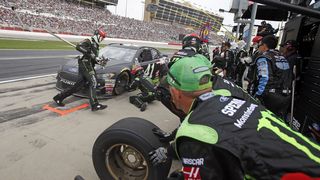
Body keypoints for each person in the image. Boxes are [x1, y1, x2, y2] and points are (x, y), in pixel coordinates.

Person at [149, 55, 320, 179]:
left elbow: (203, 138)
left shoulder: (194, 131)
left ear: (176, 93)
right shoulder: (229, 97)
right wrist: (171, 151)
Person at [53, 29, 108, 111]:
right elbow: (79, 46)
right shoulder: (89, 41)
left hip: (89, 65)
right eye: (102, 37)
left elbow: (93, 58)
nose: (102, 39)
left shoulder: (96, 46)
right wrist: (89, 52)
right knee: (93, 82)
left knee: (77, 87)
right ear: (97, 35)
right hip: (85, 64)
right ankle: (94, 104)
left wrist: (99, 61)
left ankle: (58, 97)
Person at [252, 35, 292, 118]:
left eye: (260, 45)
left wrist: (258, 95)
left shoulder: (264, 58)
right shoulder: (282, 57)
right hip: (286, 97)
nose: (259, 47)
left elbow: (265, 78)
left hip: (271, 97)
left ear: (264, 45)